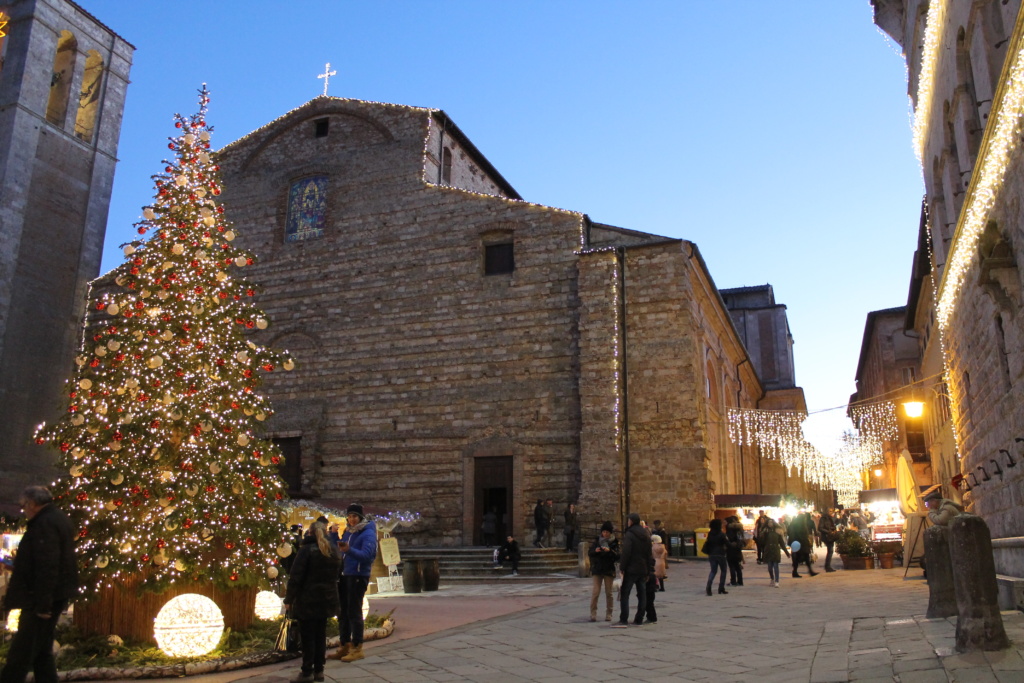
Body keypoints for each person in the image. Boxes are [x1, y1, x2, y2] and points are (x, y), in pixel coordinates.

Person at [1, 486, 78, 683]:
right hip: (49, 597)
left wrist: (43, 604)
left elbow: (47, 565)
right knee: (42, 652)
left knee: (21, 654)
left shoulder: (44, 524)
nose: (23, 510)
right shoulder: (55, 519)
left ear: (32, 504)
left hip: (39, 600)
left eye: (23, 506)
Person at [284, 520, 342, 683]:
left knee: (308, 637)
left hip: (308, 599)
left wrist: (289, 599)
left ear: (309, 533)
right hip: (326, 599)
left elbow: (296, 576)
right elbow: (337, 574)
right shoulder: (332, 551)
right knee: (320, 635)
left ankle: (307, 672)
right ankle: (319, 671)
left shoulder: (306, 550)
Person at [332, 504, 378, 663]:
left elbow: (367, 556)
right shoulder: (348, 532)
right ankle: (345, 644)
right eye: (350, 516)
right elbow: (341, 550)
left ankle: (357, 647)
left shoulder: (368, 534)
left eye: (355, 516)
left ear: (360, 517)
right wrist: (333, 537)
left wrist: (349, 550)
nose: (352, 519)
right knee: (343, 612)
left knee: (354, 612)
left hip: (358, 575)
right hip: (345, 575)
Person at [614, 512, 651, 626]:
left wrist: (622, 567)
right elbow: (649, 553)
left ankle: (624, 618)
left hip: (631, 568)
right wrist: (648, 569)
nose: (627, 522)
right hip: (643, 568)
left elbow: (626, 552)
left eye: (629, 520)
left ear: (632, 521)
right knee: (642, 594)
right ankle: (639, 618)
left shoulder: (630, 534)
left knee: (625, 594)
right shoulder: (646, 533)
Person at [588, 521, 619, 621]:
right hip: (597, 568)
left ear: (610, 533)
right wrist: (595, 551)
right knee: (595, 592)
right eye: (604, 532)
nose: (605, 534)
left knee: (609, 593)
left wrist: (609, 551)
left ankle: (609, 613)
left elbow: (617, 556)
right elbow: (590, 552)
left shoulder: (614, 542)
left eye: (607, 532)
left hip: (608, 569)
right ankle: (593, 613)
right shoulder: (597, 540)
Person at [759, 518, 789, 587]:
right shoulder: (765, 532)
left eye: (771, 523)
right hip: (768, 550)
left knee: (776, 566)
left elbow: (781, 543)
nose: (770, 524)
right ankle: (772, 578)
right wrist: (763, 534)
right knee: (769, 567)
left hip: (775, 550)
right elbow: (762, 542)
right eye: (769, 523)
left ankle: (777, 581)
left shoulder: (777, 532)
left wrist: (786, 552)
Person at [703, 518, 729, 596]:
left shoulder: (710, 534)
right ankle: (721, 588)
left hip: (711, 554)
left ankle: (708, 586)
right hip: (720, 554)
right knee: (723, 571)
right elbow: (727, 543)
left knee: (713, 571)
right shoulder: (721, 534)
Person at [788, 511, 818, 578]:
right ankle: (798, 572)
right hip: (801, 544)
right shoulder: (800, 526)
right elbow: (803, 536)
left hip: (797, 544)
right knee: (803, 557)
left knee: (803, 558)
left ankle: (806, 571)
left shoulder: (795, 524)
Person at [725, 515, 745, 586]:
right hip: (738, 549)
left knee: (732, 566)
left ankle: (733, 581)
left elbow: (728, 540)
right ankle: (740, 581)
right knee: (737, 566)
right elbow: (742, 539)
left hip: (731, 550)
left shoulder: (729, 530)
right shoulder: (739, 529)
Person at [818, 508, 838, 572]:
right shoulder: (823, 518)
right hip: (827, 536)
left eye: (832, 511)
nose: (831, 512)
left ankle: (828, 566)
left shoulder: (830, 518)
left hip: (830, 536)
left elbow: (831, 526)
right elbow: (820, 528)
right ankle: (827, 566)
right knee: (830, 551)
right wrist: (828, 532)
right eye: (830, 511)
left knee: (830, 551)